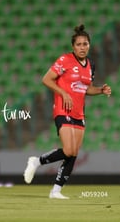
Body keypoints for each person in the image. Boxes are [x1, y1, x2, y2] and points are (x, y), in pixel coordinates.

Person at [23, 25, 112, 199]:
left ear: (89, 45)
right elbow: (46, 79)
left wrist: (100, 90)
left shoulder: (90, 65)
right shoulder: (65, 60)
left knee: (73, 153)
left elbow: (86, 89)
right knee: (69, 149)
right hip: (63, 109)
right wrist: (63, 93)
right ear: (73, 46)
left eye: (85, 44)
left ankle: (56, 191)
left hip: (79, 112)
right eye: (78, 44)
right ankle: (36, 161)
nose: (82, 47)